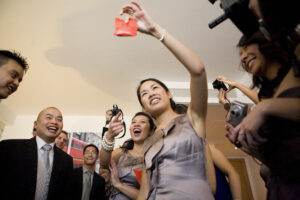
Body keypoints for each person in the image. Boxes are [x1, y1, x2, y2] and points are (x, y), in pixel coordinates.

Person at [120, 2, 215, 199]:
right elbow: (144, 193)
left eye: (155, 88)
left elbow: (198, 70)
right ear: (143, 106)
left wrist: (155, 30)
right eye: (144, 93)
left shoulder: (192, 118)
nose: (151, 93)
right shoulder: (148, 143)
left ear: (169, 93)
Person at [225, 31, 300, 199]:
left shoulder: (295, 69)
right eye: (240, 55)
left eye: (245, 49)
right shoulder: (267, 94)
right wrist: (254, 149)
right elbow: (284, 165)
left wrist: (265, 107)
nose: (243, 57)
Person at [0, 107, 73, 200]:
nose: (54, 122)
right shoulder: (9, 148)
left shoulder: (66, 160)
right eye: (49, 117)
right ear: (36, 124)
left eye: (59, 119)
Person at [100, 111, 156, 200]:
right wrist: (109, 136)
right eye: (133, 122)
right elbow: (103, 165)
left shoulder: (154, 159)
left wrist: (119, 185)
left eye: (142, 122)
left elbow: (148, 196)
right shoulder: (120, 153)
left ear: (151, 131)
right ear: (130, 129)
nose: (136, 124)